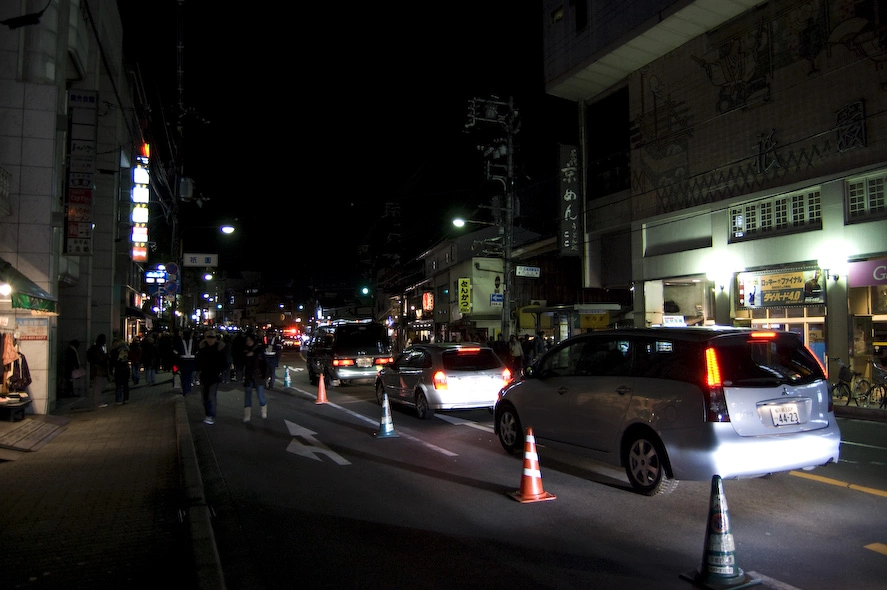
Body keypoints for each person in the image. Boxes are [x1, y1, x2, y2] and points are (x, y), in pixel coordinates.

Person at [196, 329, 227, 425]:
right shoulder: (202, 348)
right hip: (204, 375)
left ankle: (211, 415)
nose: (210, 339)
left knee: (211, 396)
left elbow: (224, 362)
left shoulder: (219, 348)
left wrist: (220, 372)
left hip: (214, 376)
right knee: (204, 397)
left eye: (212, 337)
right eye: (208, 337)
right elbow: (198, 361)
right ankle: (208, 414)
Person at [242, 332, 269, 422]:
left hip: (258, 376)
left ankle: (264, 411)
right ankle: (247, 415)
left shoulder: (259, 350)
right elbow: (242, 362)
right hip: (249, 376)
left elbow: (264, 363)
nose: (248, 342)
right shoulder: (245, 350)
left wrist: (265, 376)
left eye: (250, 340)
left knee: (260, 395)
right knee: (248, 395)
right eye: (247, 340)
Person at [86, 334, 110, 408]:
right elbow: (101, 359)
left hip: (95, 370)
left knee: (96, 386)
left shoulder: (94, 348)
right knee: (98, 387)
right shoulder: (98, 349)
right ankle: (97, 402)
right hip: (99, 370)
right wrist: (106, 356)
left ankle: (95, 402)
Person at [173, 328, 199, 395]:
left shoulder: (179, 341)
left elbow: (175, 352)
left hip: (182, 361)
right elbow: (197, 351)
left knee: (183, 376)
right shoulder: (194, 341)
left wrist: (177, 360)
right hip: (192, 361)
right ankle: (188, 387)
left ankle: (185, 389)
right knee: (190, 375)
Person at [112, 338, 131, 404]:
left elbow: (113, 361)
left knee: (118, 385)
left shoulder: (115, 351)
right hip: (126, 368)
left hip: (119, 369)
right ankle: (126, 398)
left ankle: (119, 399)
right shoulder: (126, 350)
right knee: (125, 384)